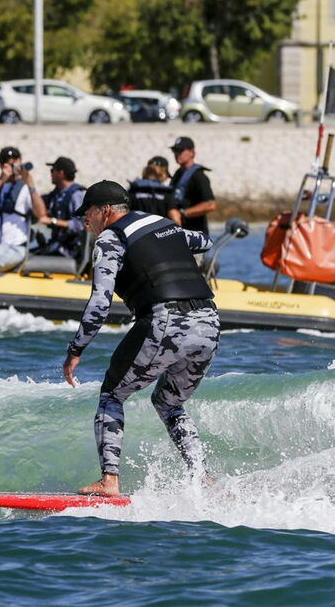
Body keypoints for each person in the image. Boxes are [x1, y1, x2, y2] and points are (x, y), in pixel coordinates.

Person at [62, 180, 219, 497]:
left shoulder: (110, 238)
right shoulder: (164, 224)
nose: (85, 221)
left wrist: (76, 349)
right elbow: (204, 241)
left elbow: (100, 302)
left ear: (105, 211)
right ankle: (202, 477)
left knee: (111, 395)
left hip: (166, 322)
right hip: (209, 323)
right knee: (169, 402)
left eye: (88, 213)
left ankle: (109, 481)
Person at [37, 156, 86, 258]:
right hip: (57, 245)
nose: (50, 174)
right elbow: (39, 201)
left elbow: (80, 225)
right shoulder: (56, 194)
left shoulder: (76, 195)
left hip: (70, 250)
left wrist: (52, 221)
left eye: (52, 171)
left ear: (61, 173)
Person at [169, 136, 216, 235]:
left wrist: (183, 214)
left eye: (180, 150)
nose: (177, 154)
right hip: (180, 233)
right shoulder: (178, 174)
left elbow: (210, 205)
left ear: (192, 152)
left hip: (196, 234)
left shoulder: (199, 176)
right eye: (175, 151)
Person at [127, 156, 181, 225]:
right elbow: (174, 217)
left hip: (137, 232)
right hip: (160, 233)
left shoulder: (133, 190)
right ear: (163, 173)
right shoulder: (166, 193)